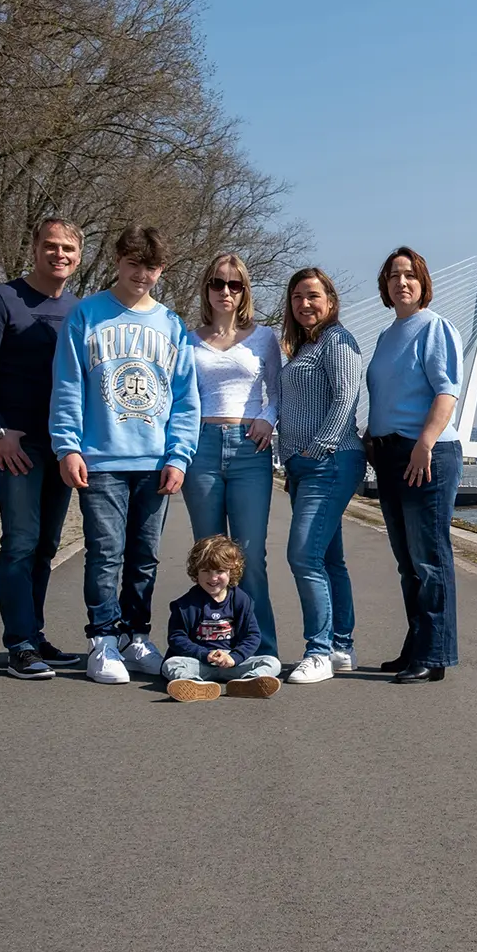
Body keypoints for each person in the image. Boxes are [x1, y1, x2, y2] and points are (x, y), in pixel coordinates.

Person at [49, 225, 201, 685]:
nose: (143, 275)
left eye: (152, 267)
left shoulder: (172, 324)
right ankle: (103, 639)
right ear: (118, 260)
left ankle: (137, 634)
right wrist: (67, 445)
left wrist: (179, 457)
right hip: (101, 458)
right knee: (105, 552)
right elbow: (68, 385)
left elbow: (185, 399)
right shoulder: (87, 315)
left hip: (155, 461)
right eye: (134, 264)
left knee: (144, 556)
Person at [0, 217, 84, 680]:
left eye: (69, 250)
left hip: (61, 444)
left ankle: (34, 635)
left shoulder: (79, 309)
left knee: (47, 545)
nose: (60, 255)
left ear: (79, 257)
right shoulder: (1, 300)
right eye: (51, 246)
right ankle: (18, 644)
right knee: (19, 542)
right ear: (34, 248)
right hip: (16, 443)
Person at [367, 246, 463, 684]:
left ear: (423, 282)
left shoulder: (435, 327)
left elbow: (446, 392)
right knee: (407, 562)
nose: (400, 282)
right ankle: (417, 645)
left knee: (429, 558)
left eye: (408, 275)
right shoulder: (389, 334)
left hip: (425, 454)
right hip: (389, 455)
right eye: (392, 276)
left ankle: (435, 653)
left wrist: (425, 442)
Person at [179, 253, 282, 658]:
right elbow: (181, 399)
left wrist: (267, 419)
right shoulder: (188, 339)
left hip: (248, 448)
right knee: (208, 556)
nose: (226, 291)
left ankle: (262, 651)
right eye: (218, 283)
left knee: (249, 555)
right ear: (206, 289)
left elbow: (277, 391)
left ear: (244, 292)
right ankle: (209, 650)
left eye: (234, 284)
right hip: (201, 446)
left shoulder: (263, 338)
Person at [274, 266, 365, 685]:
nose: (304, 304)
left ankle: (318, 650)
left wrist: (319, 447)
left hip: (330, 461)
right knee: (329, 558)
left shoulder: (337, 339)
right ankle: (341, 646)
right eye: (297, 297)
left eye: (312, 296)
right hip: (304, 465)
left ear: (330, 300)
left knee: (303, 555)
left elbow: (347, 396)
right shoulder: (303, 346)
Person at [162, 535, 283, 701]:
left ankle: (248, 682)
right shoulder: (185, 605)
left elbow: (252, 635)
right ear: (196, 571)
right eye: (206, 571)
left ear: (231, 571)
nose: (213, 578)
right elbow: (177, 638)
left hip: (232, 660)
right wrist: (204, 654)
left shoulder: (241, 600)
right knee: (171, 664)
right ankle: (194, 684)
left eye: (220, 571)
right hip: (199, 661)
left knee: (272, 662)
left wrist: (235, 657)